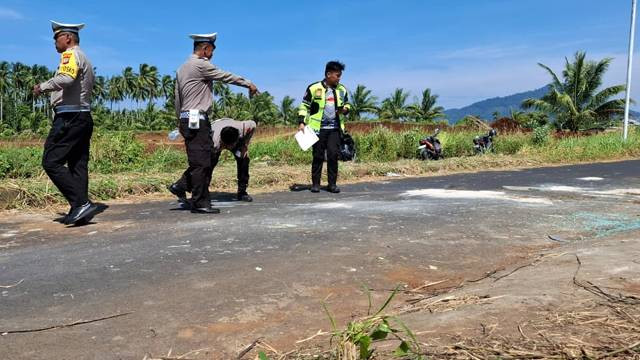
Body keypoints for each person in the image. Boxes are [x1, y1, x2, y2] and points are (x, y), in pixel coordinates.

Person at [168, 33, 258, 214]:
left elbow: (178, 98)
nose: (212, 55)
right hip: (198, 119)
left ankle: (185, 189)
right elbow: (225, 76)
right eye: (211, 51)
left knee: (198, 160)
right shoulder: (201, 65)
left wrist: (179, 119)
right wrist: (248, 83)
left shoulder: (181, 68)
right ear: (204, 49)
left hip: (186, 118)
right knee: (202, 162)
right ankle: (200, 202)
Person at [33, 21, 100, 225]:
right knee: (77, 164)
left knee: (51, 161)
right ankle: (80, 209)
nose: (55, 42)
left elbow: (66, 79)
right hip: (82, 117)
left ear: (68, 38)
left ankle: (80, 203)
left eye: (57, 37)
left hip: (69, 118)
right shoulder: (84, 57)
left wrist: (42, 86)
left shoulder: (70, 55)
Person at [171, 118, 256, 204]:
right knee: (205, 166)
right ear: (222, 143)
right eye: (227, 146)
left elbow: (253, 125)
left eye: (232, 146)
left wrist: (245, 145)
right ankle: (182, 186)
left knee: (244, 161)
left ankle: (242, 192)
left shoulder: (245, 127)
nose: (229, 148)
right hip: (215, 138)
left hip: (231, 133)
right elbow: (201, 164)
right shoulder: (214, 141)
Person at [297, 61, 351, 193]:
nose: (339, 78)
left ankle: (332, 184)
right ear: (328, 74)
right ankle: (315, 184)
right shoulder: (313, 88)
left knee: (333, 155)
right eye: (337, 75)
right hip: (317, 129)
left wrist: (344, 110)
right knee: (318, 156)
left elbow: (348, 105)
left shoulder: (342, 89)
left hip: (335, 129)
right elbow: (304, 106)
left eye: (340, 76)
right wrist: (301, 122)